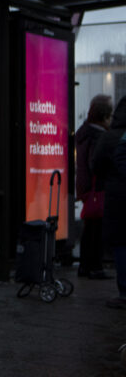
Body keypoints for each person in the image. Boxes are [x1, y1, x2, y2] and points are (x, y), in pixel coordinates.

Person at [92, 96, 126, 309]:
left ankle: (124, 293)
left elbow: (97, 166)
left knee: (122, 244)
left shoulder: (110, 137)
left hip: (118, 198)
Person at [76, 94, 114, 279]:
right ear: (104, 116)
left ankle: (85, 265)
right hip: (97, 188)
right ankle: (95, 266)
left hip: (85, 187)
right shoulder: (98, 136)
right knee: (97, 228)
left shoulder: (84, 132)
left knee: (90, 226)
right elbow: (96, 164)